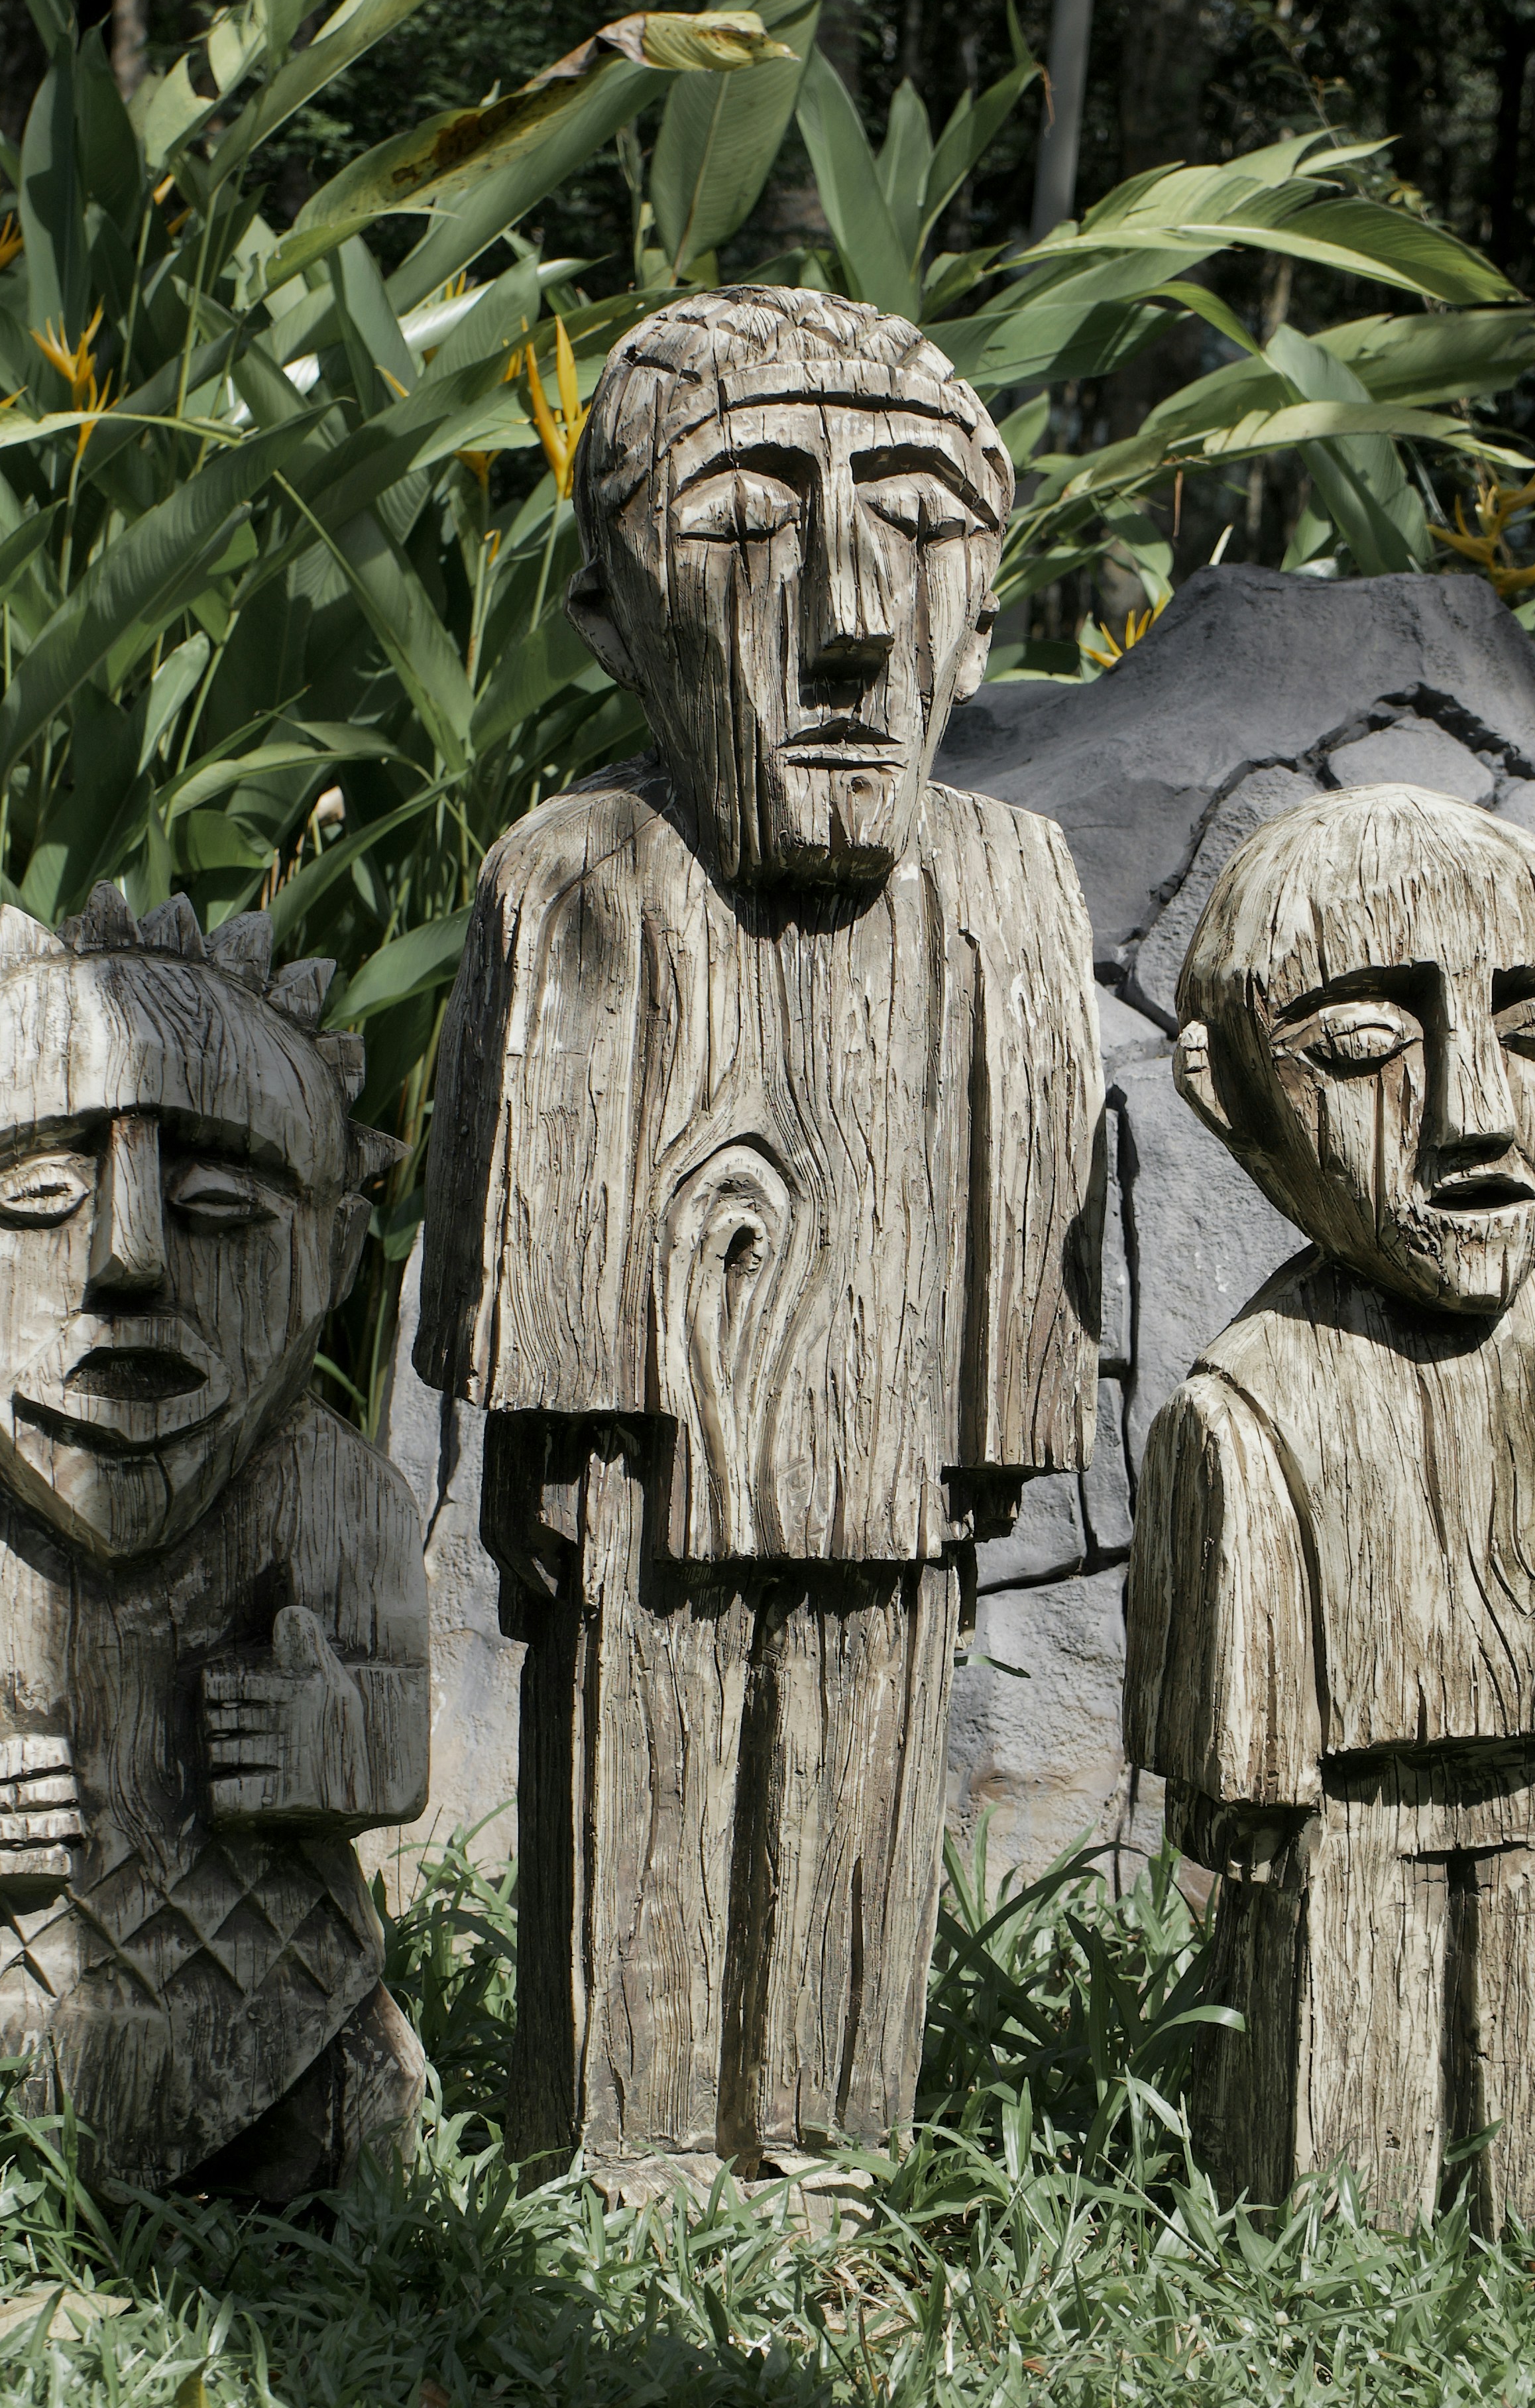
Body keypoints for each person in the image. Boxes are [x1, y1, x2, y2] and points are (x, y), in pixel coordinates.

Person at [413, 287, 1101, 2195]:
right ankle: (626, 2143)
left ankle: (825, 2140)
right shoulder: (576, 878)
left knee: (859, 1812)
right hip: (646, 1476)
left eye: (919, 519)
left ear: (985, 605)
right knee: (645, 1780)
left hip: (888, 1466)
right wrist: (541, 1464)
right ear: (607, 606)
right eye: (741, 517)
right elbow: (519, 1241)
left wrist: (997, 1434)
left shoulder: (1010, 885)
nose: (852, 607)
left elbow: (1036, 1212)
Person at [0, 885, 429, 2201]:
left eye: (224, 1209)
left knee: (373, 2121)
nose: (130, 1260)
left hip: (273, 1986)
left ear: (339, 1249)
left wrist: (333, 1734)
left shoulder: (332, 1486)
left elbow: (392, 1743)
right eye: (35, 1199)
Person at [1123, 784, 1535, 2230]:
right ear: (1228, 1088)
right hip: (1346, 1816)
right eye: (1367, 1046)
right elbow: (1238, 1605)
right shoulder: (1248, 1396)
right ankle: (1335, 2234)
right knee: (1340, 2072)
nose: (1476, 1115)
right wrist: (1238, 1778)